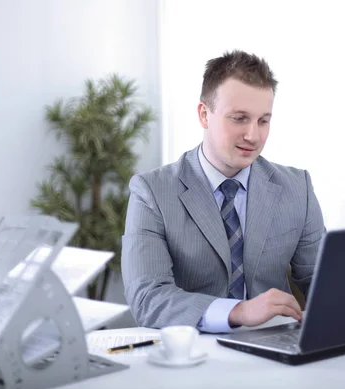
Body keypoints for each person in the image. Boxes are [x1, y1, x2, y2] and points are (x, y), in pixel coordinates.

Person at [121, 50, 326, 333]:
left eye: (263, 121)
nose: (253, 135)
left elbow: (322, 281)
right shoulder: (152, 192)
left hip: (276, 350)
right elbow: (148, 298)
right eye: (239, 118)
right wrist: (238, 311)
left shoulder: (297, 187)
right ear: (205, 115)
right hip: (193, 354)